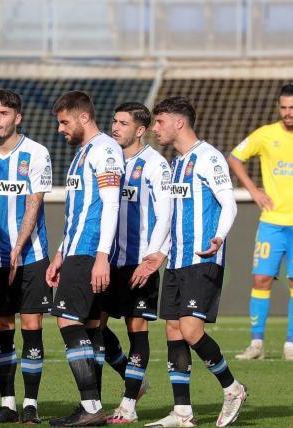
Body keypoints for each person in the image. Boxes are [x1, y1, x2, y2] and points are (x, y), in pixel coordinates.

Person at [142, 97, 246, 428]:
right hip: (176, 260)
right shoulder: (176, 163)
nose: (155, 129)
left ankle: (232, 389)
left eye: (160, 122)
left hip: (203, 258)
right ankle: (182, 412)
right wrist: (157, 252)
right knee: (173, 330)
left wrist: (219, 237)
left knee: (190, 329)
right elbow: (171, 215)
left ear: (179, 122)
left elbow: (229, 204)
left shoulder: (209, 158)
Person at [0, 89, 53, 424]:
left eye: (3, 113)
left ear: (18, 117)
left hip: (30, 255)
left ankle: (30, 403)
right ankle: (7, 403)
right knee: (1, 327)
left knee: (32, 325)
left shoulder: (37, 153)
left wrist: (18, 246)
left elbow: (34, 202)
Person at [45, 90, 124, 426]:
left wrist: (101, 256)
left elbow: (111, 204)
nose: (60, 129)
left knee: (67, 320)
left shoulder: (105, 150)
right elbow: (78, 213)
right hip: (76, 249)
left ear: (84, 117)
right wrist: (60, 253)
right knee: (91, 327)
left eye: (65, 122)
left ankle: (91, 407)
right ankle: (93, 407)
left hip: (90, 251)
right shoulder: (83, 152)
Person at [99, 102, 171, 424]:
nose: (115, 127)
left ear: (140, 130)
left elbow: (166, 215)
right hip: (107, 260)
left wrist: (153, 258)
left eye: (123, 123)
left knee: (136, 328)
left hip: (139, 262)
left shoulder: (155, 164)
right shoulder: (107, 159)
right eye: (114, 121)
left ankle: (128, 405)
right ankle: (134, 381)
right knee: (93, 328)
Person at [227, 84, 293, 361]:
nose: (288, 113)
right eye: (284, 107)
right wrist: (254, 191)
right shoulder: (266, 134)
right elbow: (234, 157)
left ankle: (291, 344)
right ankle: (256, 344)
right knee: (261, 278)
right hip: (272, 222)